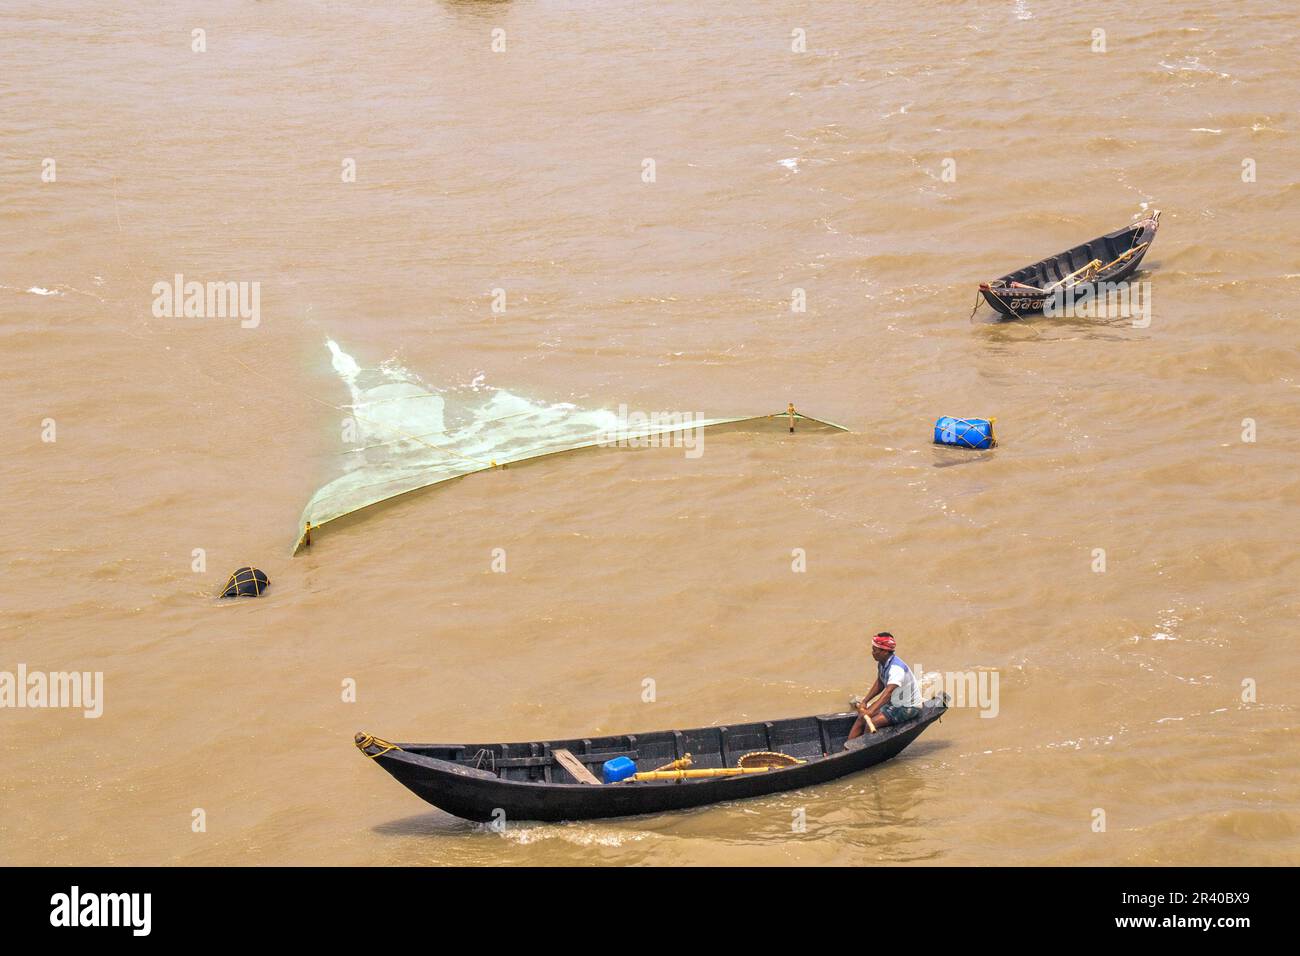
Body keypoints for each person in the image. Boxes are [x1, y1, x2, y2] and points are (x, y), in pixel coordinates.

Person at [844, 632, 921, 747]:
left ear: (884, 651)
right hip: (894, 702)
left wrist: (871, 711)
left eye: (875, 650)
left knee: (872, 722)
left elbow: (888, 693)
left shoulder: (896, 669)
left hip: (907, 707)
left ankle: (863, 750)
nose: (872, 653)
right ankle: (847, 749)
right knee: (861, 717)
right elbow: (880, 682)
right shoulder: (882, 663)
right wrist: (865, 701)